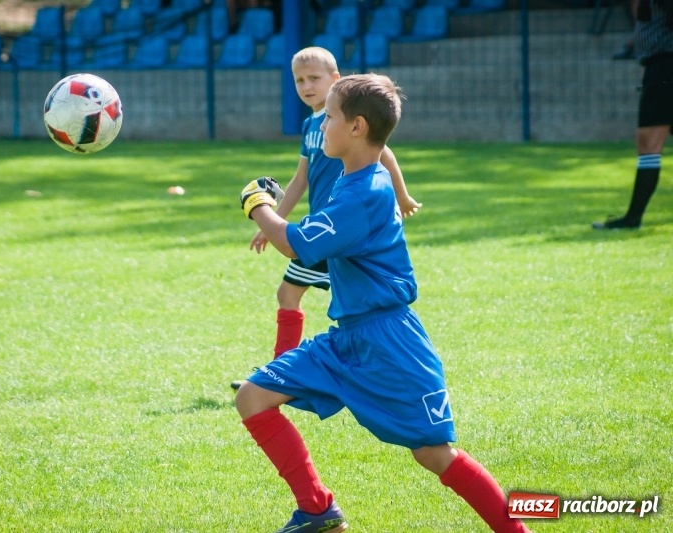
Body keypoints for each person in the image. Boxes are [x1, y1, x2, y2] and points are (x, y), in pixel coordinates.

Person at [234, 73, 530, 532]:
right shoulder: (356, 182)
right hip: (348, 337)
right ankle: (316, 509)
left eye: (328, 117)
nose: (320, 125)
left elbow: (295, 244)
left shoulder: (365, 194)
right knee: (253, 398)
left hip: (390, 341)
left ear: (357, 127)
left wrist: (257, 204)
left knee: (433, 454)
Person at [230, 46, 421, 390]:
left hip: (338, 234)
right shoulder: (310, 126)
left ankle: (280, 375)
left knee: (291, 295)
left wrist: (402, 195)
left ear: (335, 80)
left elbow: (384, 152)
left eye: (314, 78)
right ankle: (287, 373)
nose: (306, 86)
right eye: (299, 80)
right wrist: (274, 219)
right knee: (309, 298)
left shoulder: (348, 121)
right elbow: (300, 178)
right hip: (323, 229)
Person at [593, 0, 673, 229]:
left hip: (665, 65)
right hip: (661, 62)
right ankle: (632, 218)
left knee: (649, 144)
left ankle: (633, 218)